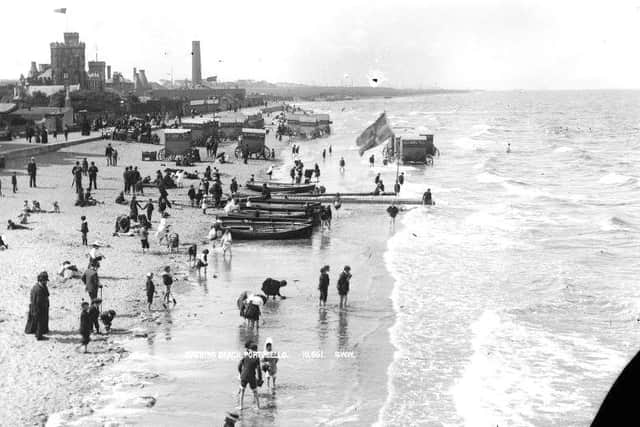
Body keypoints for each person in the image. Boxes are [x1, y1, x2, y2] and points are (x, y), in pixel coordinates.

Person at [25, 271, 50, 340]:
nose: (46, 282)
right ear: (41, 280)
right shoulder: (37, 289)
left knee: (37, 321)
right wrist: (38, 310)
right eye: (45, 280)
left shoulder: (40, 286)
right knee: (40, 322)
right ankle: (39, 336)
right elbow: (37, 301)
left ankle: (38, 331)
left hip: (40, 307)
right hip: (38, 308)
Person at [237, 343, 263, 410]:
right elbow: (259, 370)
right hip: (251, 376)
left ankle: (241, 406)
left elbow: (239, 366)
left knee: (242, 391)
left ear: (249, 350)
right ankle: (258, 406)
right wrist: (260, 379)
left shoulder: (245, 356)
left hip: (244, 375)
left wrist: (240, 373)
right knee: (255, 391)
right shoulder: (257, 358)